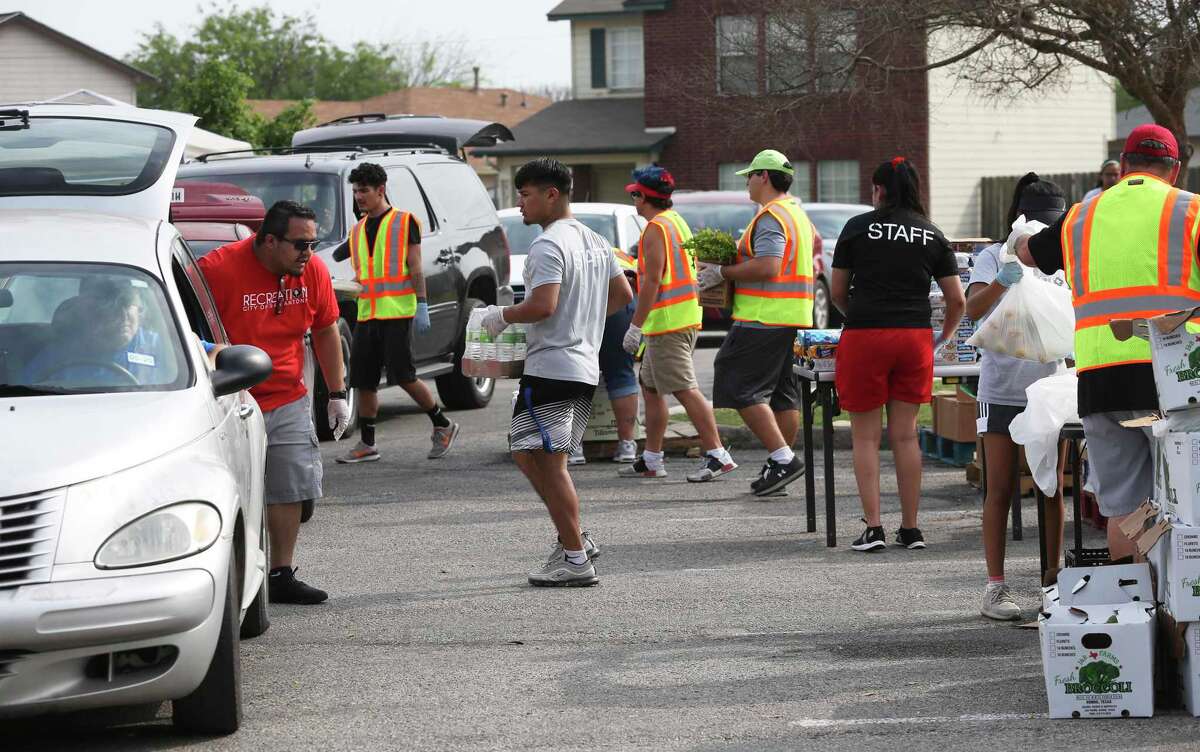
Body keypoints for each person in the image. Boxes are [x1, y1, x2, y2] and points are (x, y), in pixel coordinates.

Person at [1016, 124, 1200, 562]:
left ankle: (1135, 617)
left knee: (1124, 507)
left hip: (1102, 381)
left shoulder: (1082, 215)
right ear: (1173, 169)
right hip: (1177, 380)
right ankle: (1180, 621)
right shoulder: (1190, 211)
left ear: (1124, 165)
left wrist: (1020, 236)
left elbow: (1027, 253)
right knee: (1187, 502)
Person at [480, 158, 633, 587]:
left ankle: (575, 556)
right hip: (579, 364)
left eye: (525, 195)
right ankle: (574, 536)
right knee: (530, 454)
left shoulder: (549, 244)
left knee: (548, 462)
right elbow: (623, 294)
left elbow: (543, 305)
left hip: (553, 365)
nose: (520, 204)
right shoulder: (596, 240)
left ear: (552, 194)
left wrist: (501, 315)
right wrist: (583, 322)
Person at [199, 200, 350, 605]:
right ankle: (228, 574)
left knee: (290, 487)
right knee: (231, 490)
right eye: (300, 244)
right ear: (267, 240)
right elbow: (194, 334)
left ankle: (281, 573)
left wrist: (337, 394)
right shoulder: (217, 270)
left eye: (312, 244)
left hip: (288, 396)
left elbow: (325, 329)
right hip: (231, 398)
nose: (309, 253)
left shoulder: (311, 270)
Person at [831, 157, 965, 552]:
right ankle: (911, 528)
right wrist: (944, 336)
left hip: (866, 334)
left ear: (879, 190)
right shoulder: (932, 234)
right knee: (906, 436)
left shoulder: (857, 228)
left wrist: (853, 315)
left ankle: (873, 528)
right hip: (913, 336)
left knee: (865, 437)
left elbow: (838, 291)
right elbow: (956, 298)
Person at [966, 173, 1068, 619]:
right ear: (1018, 220)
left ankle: (1053, 582)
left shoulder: (1062, 260)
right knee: (1001, 488)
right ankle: (995, 588)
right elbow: (971, 309)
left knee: (1049, 486)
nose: (1044, 234)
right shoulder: (993, 256)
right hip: (1001, 389)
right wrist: (1004, 281)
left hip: (1050, 387)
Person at [699, 149, 811, 497]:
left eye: (750, 175)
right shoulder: (794, 213)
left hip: (764, 317)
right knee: (781, 395)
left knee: (737, 383)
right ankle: (779, 464)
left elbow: (768, 266)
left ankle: (783, 458)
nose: (747, 181)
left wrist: (722, 271)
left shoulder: (771, 216)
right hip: (791, 317)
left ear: (764, 176)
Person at [332, 162, 460, 464]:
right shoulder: (358, 229)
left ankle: (443, 424)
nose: (359, 196)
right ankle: (367, 444)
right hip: (368, 313)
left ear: (381, 190)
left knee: (404, 376)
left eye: (364, 190)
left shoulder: (406, 222)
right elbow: (358, 266)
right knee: (363, 379)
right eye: (355, 191)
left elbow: (415, 267)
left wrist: (422, 304)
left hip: (398, 311)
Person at [619, 165, 736, 482]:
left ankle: (717, 453)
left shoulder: (656, 228)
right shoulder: (676, 222)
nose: (634, 201)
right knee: (652, 388)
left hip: (669, 322)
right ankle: (652, 458)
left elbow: (654, 280)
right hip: (674, 319)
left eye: (635, 195)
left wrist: (635, 325)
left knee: (685, 389)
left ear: (643, 197)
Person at [569, 245, 641, 466]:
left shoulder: (568, 250)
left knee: (576, 372)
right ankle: (627, 445)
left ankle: (575, 448)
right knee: (620, 372)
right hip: (623, 303)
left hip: (585, 303)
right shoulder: (620, 254)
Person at [26, 279, 167, 386]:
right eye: (111, 307)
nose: (123, 315)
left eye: (127, 303)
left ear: (139, 309)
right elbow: (26, 395)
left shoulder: (161, 348)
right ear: (89, 313)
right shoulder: (59, 353)